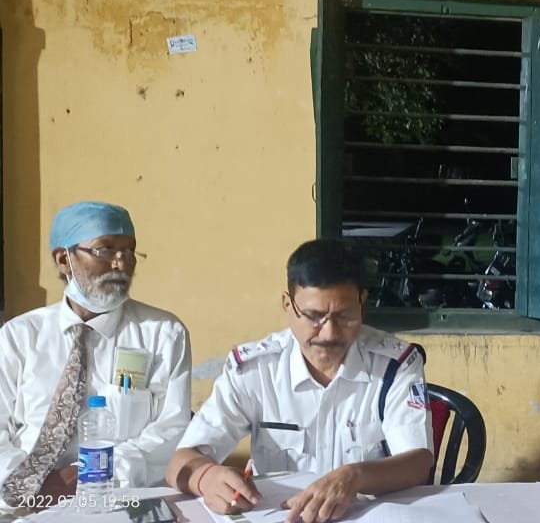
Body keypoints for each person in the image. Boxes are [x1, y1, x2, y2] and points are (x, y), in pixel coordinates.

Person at [166, 240, 433, 522]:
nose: (329, 333)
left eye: (345, 316)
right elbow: (180, 463)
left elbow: (418, 462)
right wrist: (206, 477)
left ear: (362, 302)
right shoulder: (256, 370)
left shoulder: (395, 364)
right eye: (314, 317)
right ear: (287, 304)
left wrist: (355, 476)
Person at [0, 201, 192, 512]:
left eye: (130, 251)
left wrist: (94, 474)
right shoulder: (18, 337)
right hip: (26, 506)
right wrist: (29, 484)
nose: (122, 263)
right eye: (105, 250)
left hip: (122, 502)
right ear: (64, 259)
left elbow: (172, 430)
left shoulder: (163, 333)